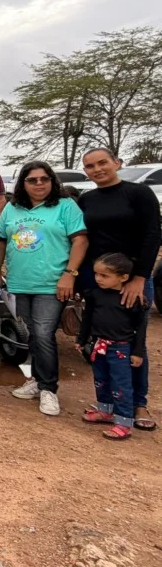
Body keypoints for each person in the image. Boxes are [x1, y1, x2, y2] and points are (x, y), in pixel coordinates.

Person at [77, 147, 160, 430]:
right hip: (98, 279)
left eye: (102, 163)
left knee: (131, 339)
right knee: (103, 340)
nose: (97, 169)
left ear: (117, 163)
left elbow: (152, 235)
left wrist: (139, 277)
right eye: (90, 166)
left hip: (130, 280)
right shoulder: (87, 199)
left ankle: (138, 403)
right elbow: (84, 240)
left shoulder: (138, 194)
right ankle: (109, 405)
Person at [0, 160, 87, 416]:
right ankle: (36, 380)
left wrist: (70, 275)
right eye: (32, 180)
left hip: (52, 282)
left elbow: (80, 240)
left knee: (44, 333)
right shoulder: (12, 208)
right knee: (33, 334)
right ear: (23, 184)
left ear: (52, 181)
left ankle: (49, 389)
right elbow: (1, 238)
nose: (39, 184)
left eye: (44, 179)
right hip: (20, 281)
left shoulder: (65, 206)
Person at [78, 253, 148, 440]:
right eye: (96, 274)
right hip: (99, 345)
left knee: (121, 385)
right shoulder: (95, 295)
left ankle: (124, 422)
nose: (98, 279)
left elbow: (140, 327)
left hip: (121, 348)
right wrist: (82, 339)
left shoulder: (133, 299)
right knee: (101, 379)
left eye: (104, 276)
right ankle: (106, 411)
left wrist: (138, 352)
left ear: (123, 277)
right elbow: (87, 319)